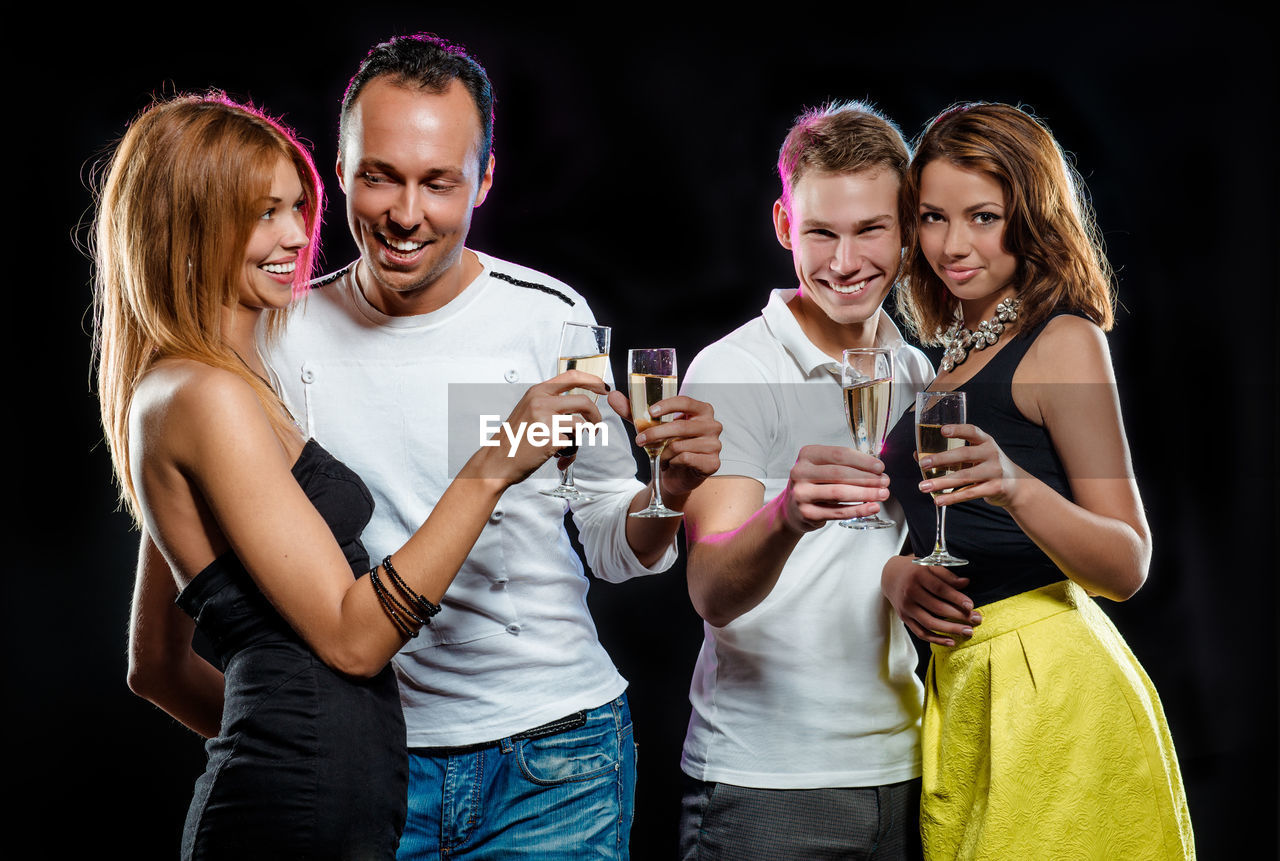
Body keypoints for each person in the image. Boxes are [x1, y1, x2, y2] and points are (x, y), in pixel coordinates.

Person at [93, 93, 602, 859]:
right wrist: (496, 460)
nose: (298, 236)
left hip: (341, 804)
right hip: (295, 817)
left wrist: (311, 739)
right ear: (189, 224)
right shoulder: (206, 394)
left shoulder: (218, 379)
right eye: (262, 212)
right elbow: (355, 640)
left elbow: (155, 664)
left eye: (299, 206)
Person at [263, 34, 721, 859]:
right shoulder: (281, 337)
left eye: (439, 182)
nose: (407, 214)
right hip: (368, 758)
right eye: (381, 176)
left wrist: (670, 492)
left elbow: (617, 545)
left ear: (485, 179)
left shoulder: (549, 317)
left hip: (555, 759)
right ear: (339, 168)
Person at [879, 102, 1194, 858]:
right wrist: (895, 571)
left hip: (1054, 686)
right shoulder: (940, 363)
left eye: (984, 217)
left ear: (1031, 217)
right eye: (933, 217)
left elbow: (1127, 563)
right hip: (966, 685)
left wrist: (1014, 483)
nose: (954, 244)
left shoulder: (1063, 341)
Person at [674, 102, 934, 859]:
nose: (845, 262)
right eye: (822, 232)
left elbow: (879, 559)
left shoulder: (917, 371)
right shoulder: (734, 370)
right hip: (767, 781)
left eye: (870, 230)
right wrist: (788, 513)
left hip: (908, 763)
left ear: (909, 227)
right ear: (786, 226)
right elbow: (710, 589)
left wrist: (908, 577)